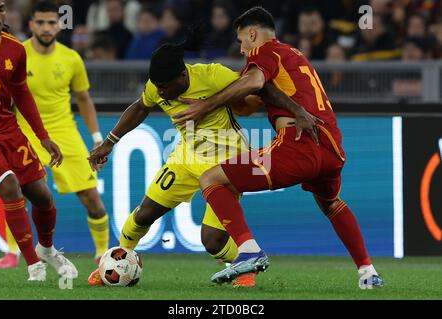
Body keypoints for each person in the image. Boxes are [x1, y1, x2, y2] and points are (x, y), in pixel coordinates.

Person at [172, 6, 384, 290]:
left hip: (298, 145)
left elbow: (255, 81)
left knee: (210, 178)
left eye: (241, 42)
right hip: (330, 149)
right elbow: (251, 102)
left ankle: (248, 249)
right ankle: (368, 272)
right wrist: (221, 95)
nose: (243, 50)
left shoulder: (265, 52)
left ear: (252, 33)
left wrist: (205, 105)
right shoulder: (294, 56)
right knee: (331, 203)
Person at [86, 39, 320, 287]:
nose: (161, 92)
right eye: (158, 87)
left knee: (212, 241)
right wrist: (110, 141)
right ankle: (116, 264)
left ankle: (244, 268)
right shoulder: (158, 85)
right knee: (143, 215)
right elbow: (141, 107)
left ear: (182, 75)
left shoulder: (213, 76)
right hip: (186, 158)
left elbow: (260, 88)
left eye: (165, 86)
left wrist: (297, 110)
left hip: (227, 163)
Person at [0, 1, 110, 268]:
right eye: (40, 22)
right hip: (24, 131)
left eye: (51, 22)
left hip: (65, 131)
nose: (46, 28)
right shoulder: (17, 51)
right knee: (19, 190)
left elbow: (84, 99)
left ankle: (101, 253)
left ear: (60, 25)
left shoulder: (71, 58)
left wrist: (95, 137)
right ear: (31, 24)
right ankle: (13, 254)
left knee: (92, 197)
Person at [0, 0, 77, 280]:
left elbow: (22, 93)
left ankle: (47, 250)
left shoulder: (15, 49)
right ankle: (33, 266)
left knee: (42, 196)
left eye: (0, 9)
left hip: (9, 131)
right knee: (9, 188)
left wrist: (43, 137)